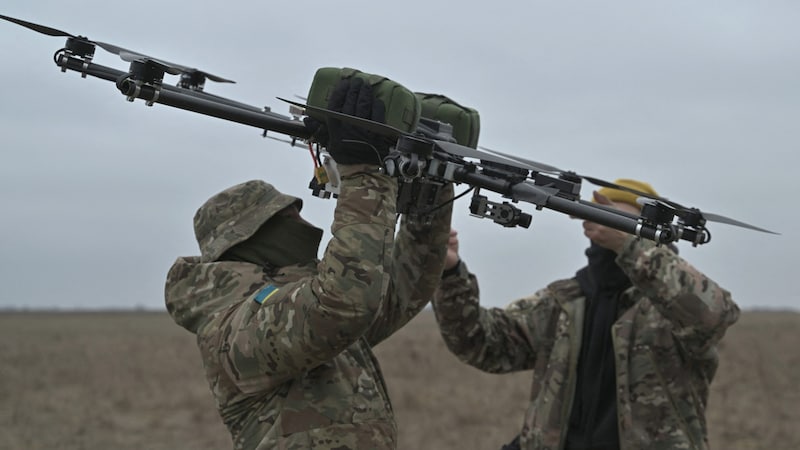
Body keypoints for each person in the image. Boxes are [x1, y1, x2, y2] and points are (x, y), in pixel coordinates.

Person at [164, 76, 453, 449]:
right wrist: (363, 173)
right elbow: (343, 302)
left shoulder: (309, 309)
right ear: (251, 242)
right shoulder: (233, 334)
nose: (304, 225)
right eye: (287, 219)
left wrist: (427, 197)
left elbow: (402, 289)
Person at [433, 179, 740, 450]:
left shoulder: (671, 305)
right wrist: (449, 274)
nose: (613, 227)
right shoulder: (563, 300)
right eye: (607, 218)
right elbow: (482, 344)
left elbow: (715, 315)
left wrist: (629, 246)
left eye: (624, 222)